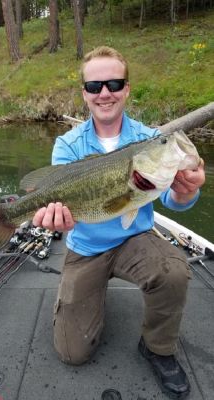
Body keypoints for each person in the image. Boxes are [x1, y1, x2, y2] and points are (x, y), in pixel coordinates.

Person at [33, 46, 205, 399]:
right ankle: (81, 301)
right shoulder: (67, 145)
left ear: (126, 88)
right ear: (84, 93)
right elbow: (63, 211)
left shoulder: (149, 140)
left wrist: (186, 193)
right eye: (95, 86)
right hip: (86, 247)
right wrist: (56, 222)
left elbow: (172, 199)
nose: (105, 93)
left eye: (113, 83)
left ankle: (157, 348)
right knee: (72, 353)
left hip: (134, 239)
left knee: (173, 271)